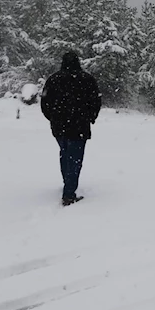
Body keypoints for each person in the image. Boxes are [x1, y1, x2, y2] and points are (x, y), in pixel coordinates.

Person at [40, 51, 102, 206]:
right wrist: (91, 117)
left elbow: (45, 103)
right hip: (79, 126)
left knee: (65, 153)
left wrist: (53, 118)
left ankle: (67, 182)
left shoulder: (53, 79)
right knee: (75, 158)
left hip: (59, 126)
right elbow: (96, 100)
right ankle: (69, 193)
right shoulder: (87, 79)